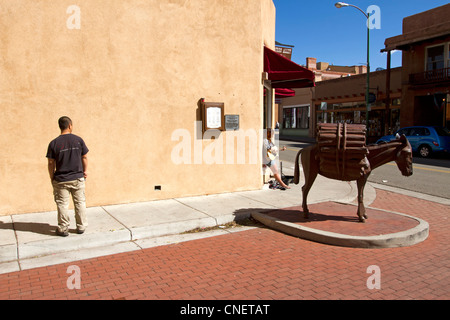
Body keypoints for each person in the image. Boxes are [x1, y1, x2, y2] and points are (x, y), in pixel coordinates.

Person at [46, 116, 89, 236]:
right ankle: (81, 226)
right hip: (77, 178)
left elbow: (50, 162)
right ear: (70, 125)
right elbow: (84, 157)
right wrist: (85, 171)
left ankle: (63, 228)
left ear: (60, 126)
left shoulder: (53, 143)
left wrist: (52, 176)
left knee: (62, 204)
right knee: (80, 202)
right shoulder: (78, 140)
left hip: (61, 179)